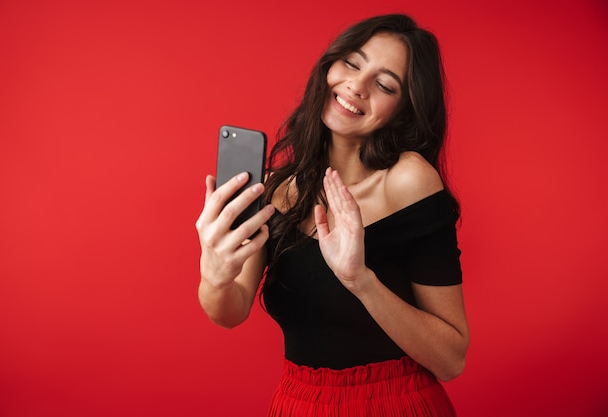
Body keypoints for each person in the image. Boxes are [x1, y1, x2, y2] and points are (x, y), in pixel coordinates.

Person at [196, 13, 469, 417]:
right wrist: (214, 272)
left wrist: (361, 281)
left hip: (392, 404)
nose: (356, 87)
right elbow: (230, 312)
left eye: (384, 84)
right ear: (329, 65)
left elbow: (451, 359)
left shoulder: (408, 180)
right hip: (297, 404)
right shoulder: (276, 189)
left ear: (403, 109)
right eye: (352, 63)